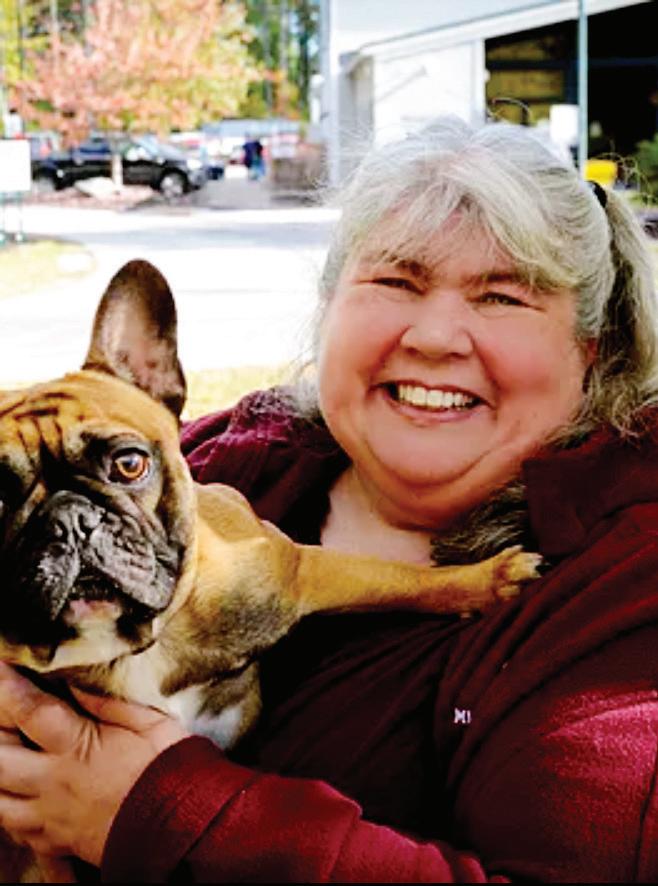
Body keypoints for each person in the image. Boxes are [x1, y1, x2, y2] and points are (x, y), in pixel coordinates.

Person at [0, 115, 657, 882]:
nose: (435, 337)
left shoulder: (623, 590)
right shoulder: (233, 455)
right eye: (395, 282)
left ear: (593, 349)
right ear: (330, 307)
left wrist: (162, 817)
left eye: (502, 297)